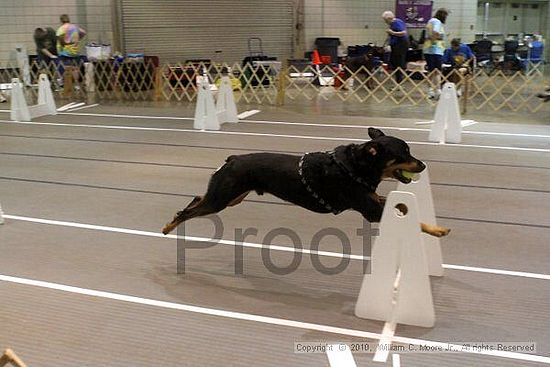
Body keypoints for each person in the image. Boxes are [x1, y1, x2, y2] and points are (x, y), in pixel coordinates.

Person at [423, 8, 449, 99]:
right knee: (437, 71)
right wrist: (434, 41)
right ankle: (438, 90)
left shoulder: (431, 21)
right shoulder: (437, 22)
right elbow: (435, 32)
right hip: (435, 49)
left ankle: (430, 90)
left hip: (427, 49)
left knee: (430, 71)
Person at [56, 14, 86, 87]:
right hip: (74, 51)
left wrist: (66, 44)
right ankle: (76, 84)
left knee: (64, 67)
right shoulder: (74, 27)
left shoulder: (61, 28)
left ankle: (62, 81)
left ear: (61, 20)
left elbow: (61, 41)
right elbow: (83, 32)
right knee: (75, 68)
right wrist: (78, 39)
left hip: (64, 51)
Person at [382, 11, 409, 87]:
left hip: (400, 45)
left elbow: (403, 33)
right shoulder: (392, 24)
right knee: (395, 63)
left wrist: (392, 32)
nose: (385, 22)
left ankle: (399, 83)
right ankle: (398, 82)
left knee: (399, 63)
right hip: (396, 45)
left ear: (389, 18)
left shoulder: (397, 22)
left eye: (385, 20)